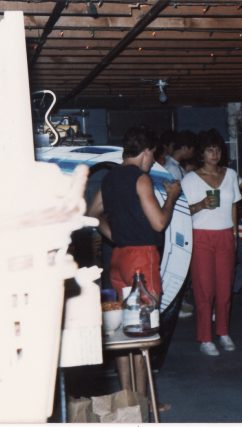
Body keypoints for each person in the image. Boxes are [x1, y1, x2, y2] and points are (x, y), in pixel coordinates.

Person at [88, 127, 181, 397]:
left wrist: (114, 235)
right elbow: (159, 222)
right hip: (142, 259)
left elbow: (92, 213)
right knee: (143, 334)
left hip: (118, 257)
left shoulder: (109, 179)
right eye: (153, 157)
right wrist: (172, 197)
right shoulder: (141, 179)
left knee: (121, 333)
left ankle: (128, 396)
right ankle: (142, 401)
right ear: (146, 152)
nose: (152, 163)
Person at [180, 129, 242, 356]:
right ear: (201, 153)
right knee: (204, 290)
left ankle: (223, 332)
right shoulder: (190, 179)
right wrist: (201, 205)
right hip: (201, 236)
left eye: (217, 149)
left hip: (225, 234)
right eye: (209, 150)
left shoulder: (231, 175)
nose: (214, 154)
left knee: (225, 288)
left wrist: (235, 235)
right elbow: (182, 211)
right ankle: (205, 337)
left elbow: (235, 204)